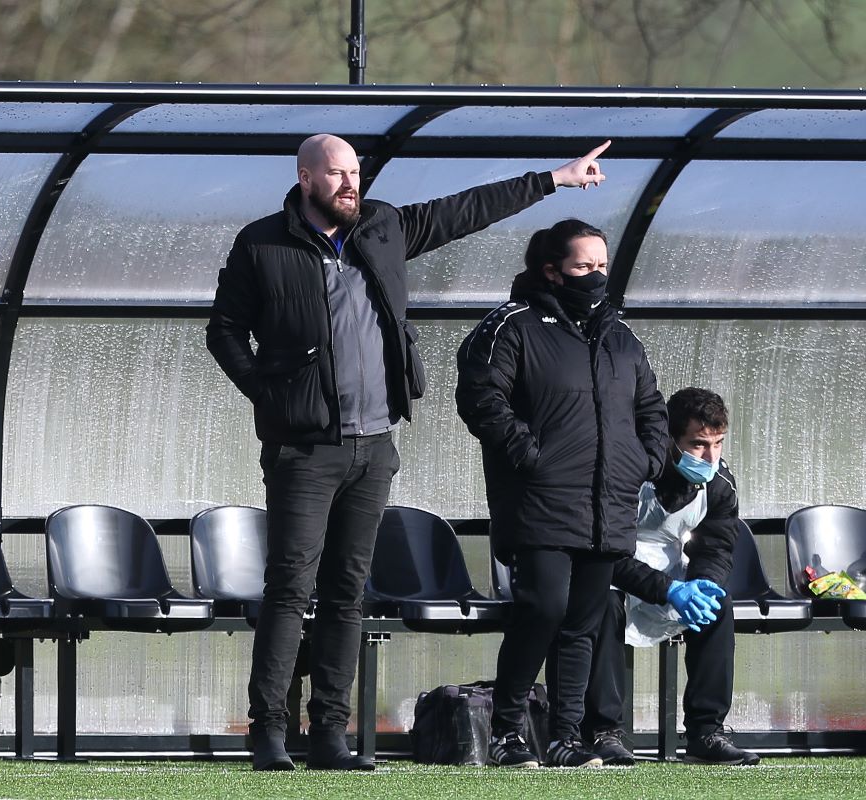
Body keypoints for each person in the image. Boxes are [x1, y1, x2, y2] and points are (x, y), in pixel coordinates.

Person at [206, 134, 612, 772]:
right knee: (290, 589)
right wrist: (269, 395)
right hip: (303, 449)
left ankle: (331, 736)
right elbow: (224, 330)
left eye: (355, 173)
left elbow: (464, 209)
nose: (350, 184)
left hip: (375, 445)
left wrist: (554, 179)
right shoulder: (262, 243)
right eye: (336, 175)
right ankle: (270, 734)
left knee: (346, 593)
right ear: (305, 178)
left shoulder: (383, 228)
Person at [456, 218, 715, 769]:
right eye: (583, 266)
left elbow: (651, 408)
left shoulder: (621, 336)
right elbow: (481, 396)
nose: (596, 276)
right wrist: (530, 453)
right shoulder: (514, 324)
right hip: (540, 501)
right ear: (551, 270)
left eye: (602, 266)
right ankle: (509, 734)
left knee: (583, 622)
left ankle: (566, 737)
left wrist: (644, 460)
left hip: (608, 503)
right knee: (542, 608)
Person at [582, 387, 760, 766]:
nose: (711, 456)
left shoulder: (719, 484)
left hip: (672, 575)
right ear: (669, 440)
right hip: (613, 573)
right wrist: (669, 590)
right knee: (604, 602)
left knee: (718, 606)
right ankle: (603, 732)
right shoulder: (626, 470)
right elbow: (606, 553)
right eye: (698, 445)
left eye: (718, 444)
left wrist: (703, 582)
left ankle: (705, 733)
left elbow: (716, 546)